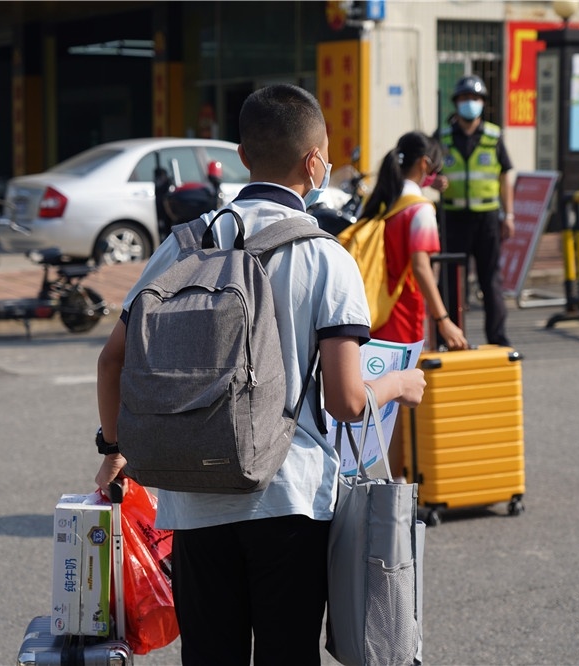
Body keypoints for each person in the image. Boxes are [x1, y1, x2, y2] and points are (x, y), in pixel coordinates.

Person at [93, 84, 426, 665]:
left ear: (244, 155)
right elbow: (347, 401)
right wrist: (399, 384)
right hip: (289, 497)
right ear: (315, 162)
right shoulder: (326, 256)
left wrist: (114, 448)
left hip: (192, 498)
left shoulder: (183, 244)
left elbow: (111, 359)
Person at [359, 130, 468, 479]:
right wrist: (443, 319)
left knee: (380, 405)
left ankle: (379, 479)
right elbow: (421, 267)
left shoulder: (384, 203)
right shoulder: (419, 209)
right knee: (399, 405)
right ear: (424, 164)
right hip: (404, 317)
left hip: (376, 314)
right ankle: (396, 483)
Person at [433, 74, 515, 347]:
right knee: (451, 281)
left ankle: (498, 339)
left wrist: (509, 215)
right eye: (466, 98)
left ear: (483, 102)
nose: (471, 103)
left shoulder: (493, 136)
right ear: (456, 102)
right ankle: (450, 339)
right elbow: (425, 170)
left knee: (490, 281)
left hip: (487, 218)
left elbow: (505, 175)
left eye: (476, 98)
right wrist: (434, 181)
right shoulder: (442, 137)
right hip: (453, 217)